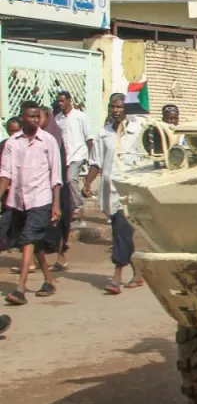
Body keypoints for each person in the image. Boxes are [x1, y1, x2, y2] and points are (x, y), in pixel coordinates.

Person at [0, 101, 63, 305]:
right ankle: (49, 280)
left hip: (41, 199)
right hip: (18, 200)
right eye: (31, 116)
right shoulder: (12, 143)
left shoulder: (48, 141)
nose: (35, 120)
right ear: (23, 117)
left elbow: (56, 176)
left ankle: (20, 289)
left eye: (38, 116)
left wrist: (56, 205)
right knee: (34, 244)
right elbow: (6, 174)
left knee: (28, 240)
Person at [84, 94, 145, 294]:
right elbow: (96, 162)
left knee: (121, 231)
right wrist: (87, 182)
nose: (116, 110)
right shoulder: (104, 133)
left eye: (119, 107)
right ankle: (138, 274)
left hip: (131, 192)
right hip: (110, 191)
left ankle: (116, 277)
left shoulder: (138, 131)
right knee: (122, 233)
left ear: (126, 108)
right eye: (113, 107)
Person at [38, 107, 73, 273]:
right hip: (41, 185)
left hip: (57, 186)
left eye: (40, 117)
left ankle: (61, 257)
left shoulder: (54, 137)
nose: (37, 120)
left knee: (59, 222)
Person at [53, 91, 93, 215]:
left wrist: (91, 158)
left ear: (69, 101)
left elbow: (89, 137)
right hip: (65, 155)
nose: (60, 103)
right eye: (59, 101)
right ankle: (68, 205)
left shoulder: (81, 116)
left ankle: (78, 205)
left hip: (78, 153)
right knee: (64, 182)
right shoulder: (58, 118)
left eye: (62, 101)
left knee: (71, 179)